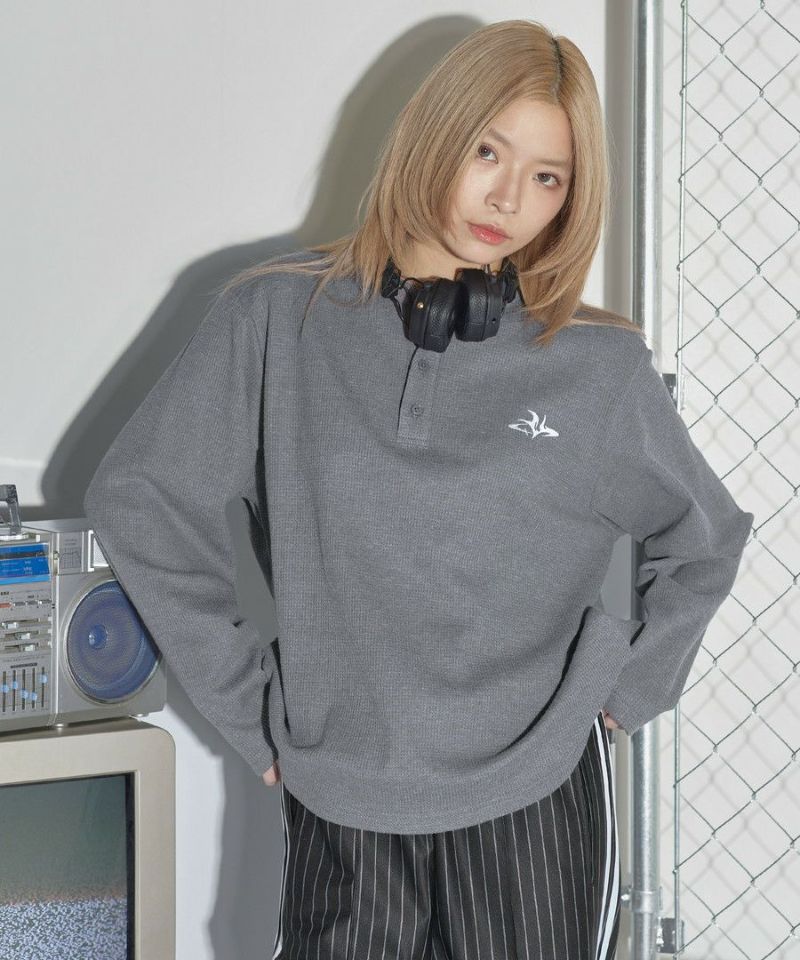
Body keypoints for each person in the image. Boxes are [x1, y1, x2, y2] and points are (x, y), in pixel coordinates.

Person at [83, 18, 754, 960]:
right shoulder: (276, 319)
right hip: (345, 796)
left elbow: (704, 537)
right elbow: (143, 501)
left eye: (548, 176)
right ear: (434, 132)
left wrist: (623, 690)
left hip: (535, 799)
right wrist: (250, 704)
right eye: (488, 151)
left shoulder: (597, 368)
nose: (508, 197)